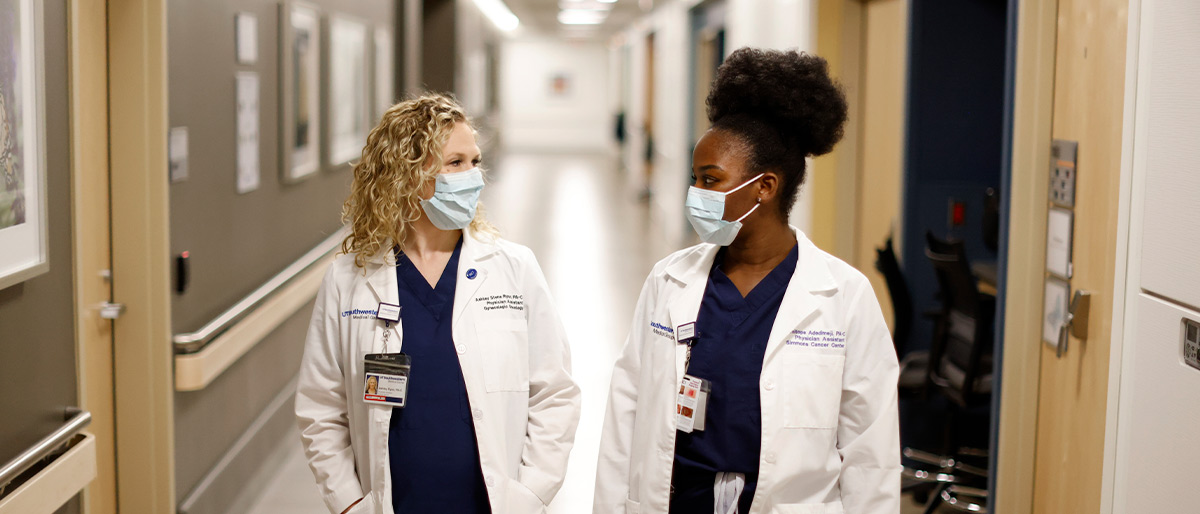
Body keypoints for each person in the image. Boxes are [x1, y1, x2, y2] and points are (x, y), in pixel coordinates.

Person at [594, 48, 901, 514]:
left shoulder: (844, 296)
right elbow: (626, 411)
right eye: (695, 178)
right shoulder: (669, 281)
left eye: (710, 180)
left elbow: (871, 453)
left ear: (765, 187)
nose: (695, 194)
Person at [296, 94, 581, 514]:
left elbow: (554, 392)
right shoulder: (349, 278)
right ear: (407, 173)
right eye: (455, 163)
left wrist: (530, 494)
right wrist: (349, 502)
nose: (474, 176)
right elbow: (321, 405)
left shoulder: (513, 268)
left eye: (475, 161)